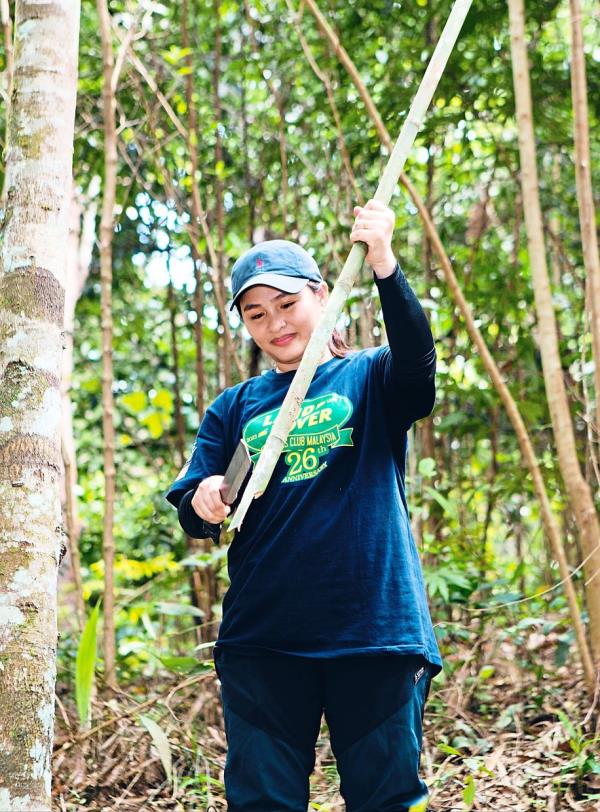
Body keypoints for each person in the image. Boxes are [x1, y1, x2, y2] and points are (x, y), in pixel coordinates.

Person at [166, 199, 441, 812]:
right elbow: (191, 504)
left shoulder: (368, 375)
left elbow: (419, 379)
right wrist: (205, 500)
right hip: (265, 639)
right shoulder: (235, 407)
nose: (274, 324)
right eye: (256, 314)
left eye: (287, 304)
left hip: (373, 631)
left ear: (322, 294)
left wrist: (385, 264)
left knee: (388, 798)